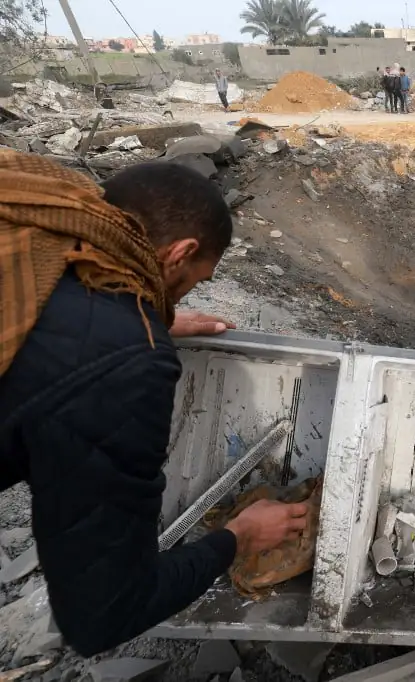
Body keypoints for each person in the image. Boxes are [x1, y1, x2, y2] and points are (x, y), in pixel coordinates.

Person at [0, 152, 310, 656]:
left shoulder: (37, 233)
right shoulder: (125, 363)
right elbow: (103, 613)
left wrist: (145, 311)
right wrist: (237, 537)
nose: (180, 297)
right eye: (191, 282)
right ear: (179, 253)